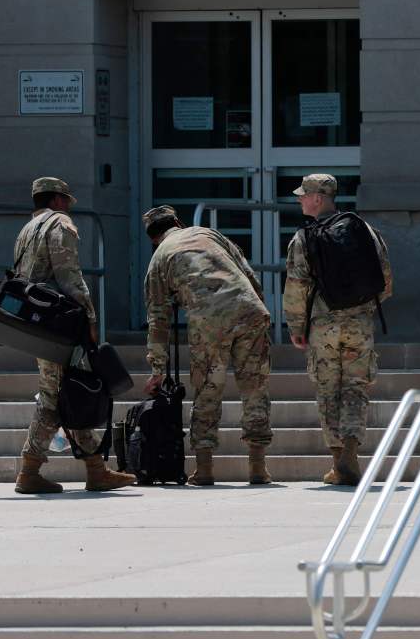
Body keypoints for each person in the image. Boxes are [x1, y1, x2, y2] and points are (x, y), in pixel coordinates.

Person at [12, 177, 136, 494]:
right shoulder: (59, 223)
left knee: (71, 389)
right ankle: (30, 470)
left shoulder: (28, 230)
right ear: (56, 200)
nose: (68, 207)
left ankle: (96, 470)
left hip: (38, 324)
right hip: (60, 327)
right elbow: (69, 275)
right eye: (66, 200)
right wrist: (90, 318)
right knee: (55, 396)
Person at [141, 205, 274, 486]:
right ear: (178, 222)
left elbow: (158, 320)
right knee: (254, 388)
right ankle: (258, 467)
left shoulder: (159, 258)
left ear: (153, 238)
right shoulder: (209, 234)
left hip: (210, 322)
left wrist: (157, 370)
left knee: (208, 392)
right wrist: (259, 312)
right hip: (249, 310)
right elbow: (248, 274)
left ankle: (204, 469)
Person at [282, 174, 393, 486]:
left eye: (304, 195)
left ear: (318, 198)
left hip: (323, 325)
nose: (300, 199)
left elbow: (296, 286)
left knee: (328, 390)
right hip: (360, 323)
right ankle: (351, 452)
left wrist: (296, 326)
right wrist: (361, 308)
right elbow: (385, 280)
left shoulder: (304, 237)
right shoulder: (365, 230)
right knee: (356, 387)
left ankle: (338, 461)